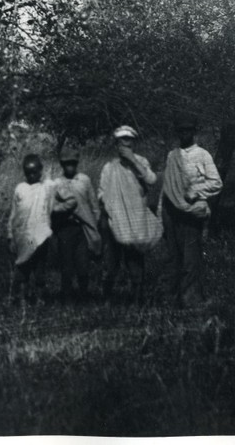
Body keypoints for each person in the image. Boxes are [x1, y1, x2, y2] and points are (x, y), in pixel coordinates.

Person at [159, 113, 223, 307]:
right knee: (173, 257)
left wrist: (196, 190)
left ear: (194, 132)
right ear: (177, 132)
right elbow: (166, 187)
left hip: (191, 213)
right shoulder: (172, 155)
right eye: (181, 131)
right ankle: (171, 298)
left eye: (188, 130)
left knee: (190, 259)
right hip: (171, 213)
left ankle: (191, 300)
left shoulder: (202, 155)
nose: (184, 134)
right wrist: (160, 212)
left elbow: (216, 183)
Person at [98, 125, 163, 305]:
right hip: (115, 220)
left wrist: (133, 161)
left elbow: (151, 180)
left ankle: (137, 301)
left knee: (135, 262)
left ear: (133, 143)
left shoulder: (141, 162)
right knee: (110, 262)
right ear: (116, 144)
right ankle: (107, 301)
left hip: (135, 221)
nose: (125, 144)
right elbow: (101, 193)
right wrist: (110, 207)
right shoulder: (109, 167)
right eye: (121, 141)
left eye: (128, 140)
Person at [7, 154, 75, 303]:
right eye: (28, 173)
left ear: (40, 171)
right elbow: (14, 213)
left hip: (40, 236)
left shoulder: (47, 186)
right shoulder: (20, 188)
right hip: (24, 235)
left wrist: (57, 208)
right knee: (24, 265)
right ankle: (23, 297)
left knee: (39, 266)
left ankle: (39, 298)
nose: (31, 176)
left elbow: (70, 199)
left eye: (34, 172)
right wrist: (10, 235)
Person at [51, 148, 101, 302]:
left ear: (77, 164)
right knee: (66, 264)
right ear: (62, 165)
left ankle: (83, 296)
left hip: (83, 228)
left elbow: (93, 204)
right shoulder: (56, 183)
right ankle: (66, 297)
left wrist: (94, 223)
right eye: (66, 164)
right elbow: (51, 207)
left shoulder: (84, 180)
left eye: (72, 164)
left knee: (83, 263)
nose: (70, 167)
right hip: (65, 228)